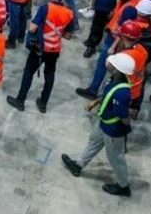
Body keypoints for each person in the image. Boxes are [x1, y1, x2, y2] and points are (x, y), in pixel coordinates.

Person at [61, 53, 136, 198]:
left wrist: (127, 124)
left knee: (115, 157)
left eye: (112, 63)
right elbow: (107, 95)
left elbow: (123, 116)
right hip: (103, 123)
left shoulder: (122, 93)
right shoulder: (113, 80)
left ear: (118, 70)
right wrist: (94, 102)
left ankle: (123, 186)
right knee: (94, 141)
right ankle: (78, 165)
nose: (109, 63)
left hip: (113, 131)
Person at [7, 0, 74, 113]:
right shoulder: (69, 13)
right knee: (49, 74)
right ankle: (43, 103)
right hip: (55, 49)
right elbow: (68, 35)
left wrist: (29, 25)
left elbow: (32, 28)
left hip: (41, 48)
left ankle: (20, 100)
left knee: (28, 72)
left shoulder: (45, 8)